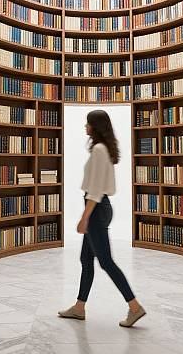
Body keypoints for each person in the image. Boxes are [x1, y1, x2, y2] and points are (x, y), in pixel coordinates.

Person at [58, 109, 146, 327]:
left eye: (88, 124)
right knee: (86, 260)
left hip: (96, 209)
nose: (85, 127)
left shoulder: (98, 149)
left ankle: (134, 307)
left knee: (106, 262)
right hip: (100, 208)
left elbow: (95, 190)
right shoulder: (104, 149)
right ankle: (79, 307)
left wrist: (84, 218)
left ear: (95, 127)